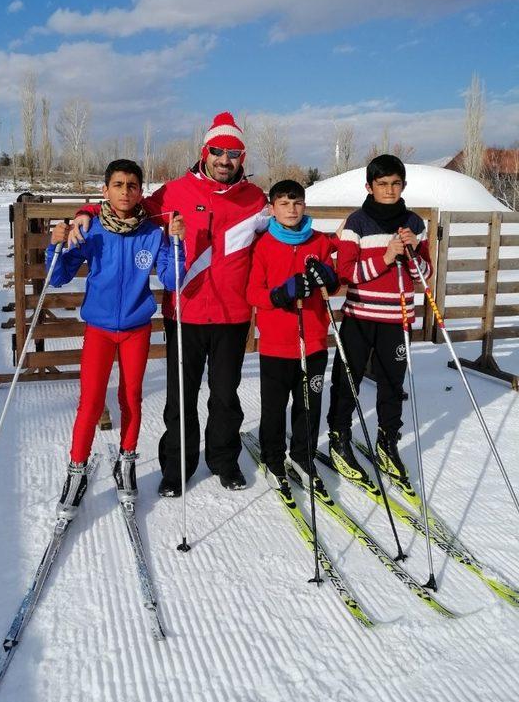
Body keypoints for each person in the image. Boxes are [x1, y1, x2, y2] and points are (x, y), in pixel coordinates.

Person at [69, 113, 268, 496]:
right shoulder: (175, 192)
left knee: (225, 394)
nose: (225, 160)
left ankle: (224, 460)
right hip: (186, 311)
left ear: (242, 158)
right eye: (218, 151)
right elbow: (127, 205)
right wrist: (85, 211)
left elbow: (283, 225)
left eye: (234, 153)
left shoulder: (255, 199)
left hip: (232, 313)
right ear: (204, 152)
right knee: (182, 396)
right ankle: (177, 467)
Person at [46, 159, 186, 518]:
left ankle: (126, 463)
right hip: (100, 330)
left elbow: (172, 281)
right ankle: (76, 472)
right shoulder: (91, 230)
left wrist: (176, 245)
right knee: (91, 402)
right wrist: (56, 245)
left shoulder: (152, 232)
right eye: (119, 185)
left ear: (141, 192)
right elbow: (58, 277)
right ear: (104, 191)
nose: (126, 191)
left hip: (136, 329)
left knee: (131, 399)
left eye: (133, 185)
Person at [326, 154, 432, 483]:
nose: (389, 190)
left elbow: (423, 275)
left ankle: (388, 442)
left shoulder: (414, 223)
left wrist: (414, 253)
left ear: (403, 185)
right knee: (348, 379)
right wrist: (386, 257)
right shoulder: (356, 222)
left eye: (395, 183)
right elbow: (346, 273)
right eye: (382, 184)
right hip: (360, 315)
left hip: (397, 316)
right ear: (369, 186)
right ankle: (338, 437)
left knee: (392, 384)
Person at [246, 180, 338, 494]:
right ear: (272, 208)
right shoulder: (263, 244)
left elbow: (332, 281)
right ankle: (273, 457)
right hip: (276, 344)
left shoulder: (319, 242)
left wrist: (330, 278)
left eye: (296, 202)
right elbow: (253, 293)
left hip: (313, 340)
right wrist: (280, 294)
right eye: (284, 204)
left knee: (309, 405)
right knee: (274, 407)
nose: (291, 209)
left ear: (304, 204)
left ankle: (303, 456)